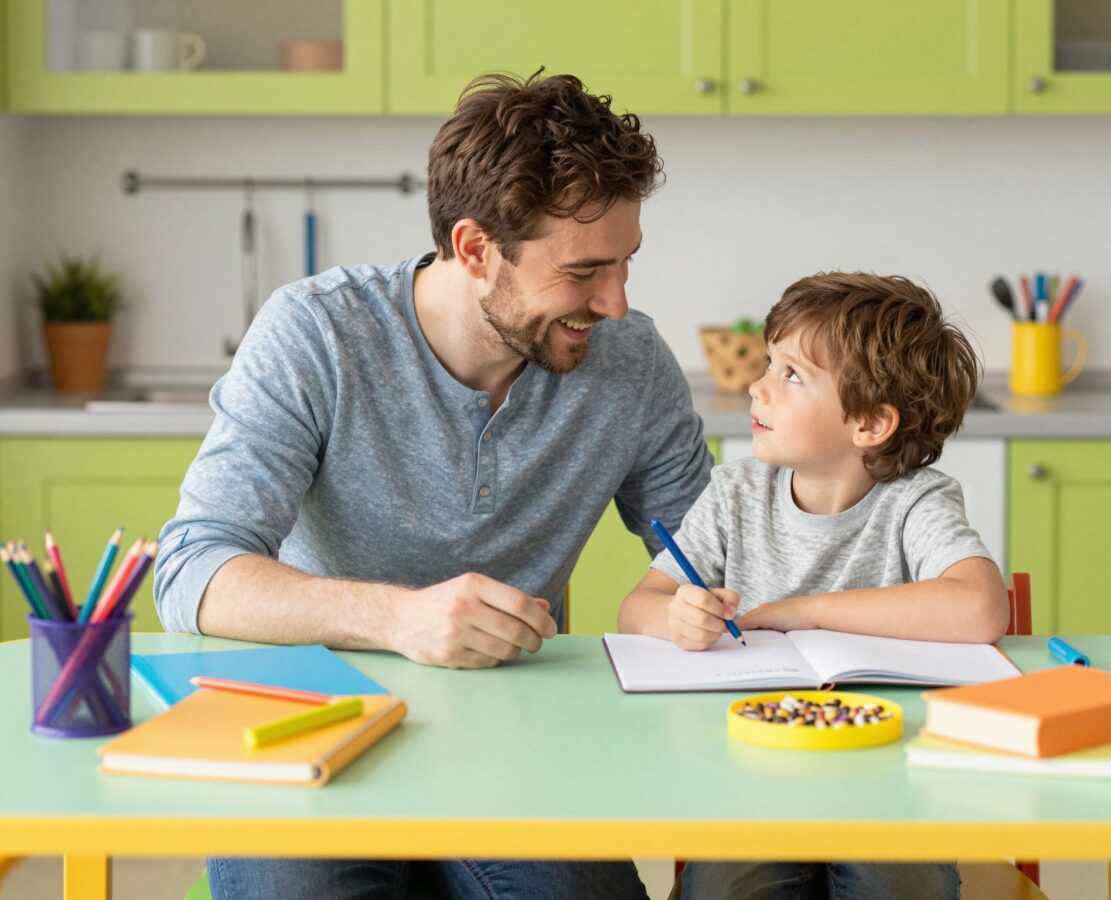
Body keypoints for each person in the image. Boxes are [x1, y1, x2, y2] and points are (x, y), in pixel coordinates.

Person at [155, 71, 712, 900]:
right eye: (585, 271)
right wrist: (397, 616)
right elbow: (191, 571)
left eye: (627, 264)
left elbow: (720, 553)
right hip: (312, 718)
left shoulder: (630, 367)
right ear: (475, 249)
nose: (617, 303)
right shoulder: (316, 334)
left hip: (513, 737)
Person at [618, 272, 1010, 900]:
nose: (758, 386)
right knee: (726, 889)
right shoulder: (734, 493)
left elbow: (982, 606)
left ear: (871, 423)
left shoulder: (915, 500)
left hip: (890, 777)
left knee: (903, 884)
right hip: (750, 772)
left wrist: (803, 613)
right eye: (768, 363)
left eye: (791, 375)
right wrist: (676, 616)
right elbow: (638, 604)